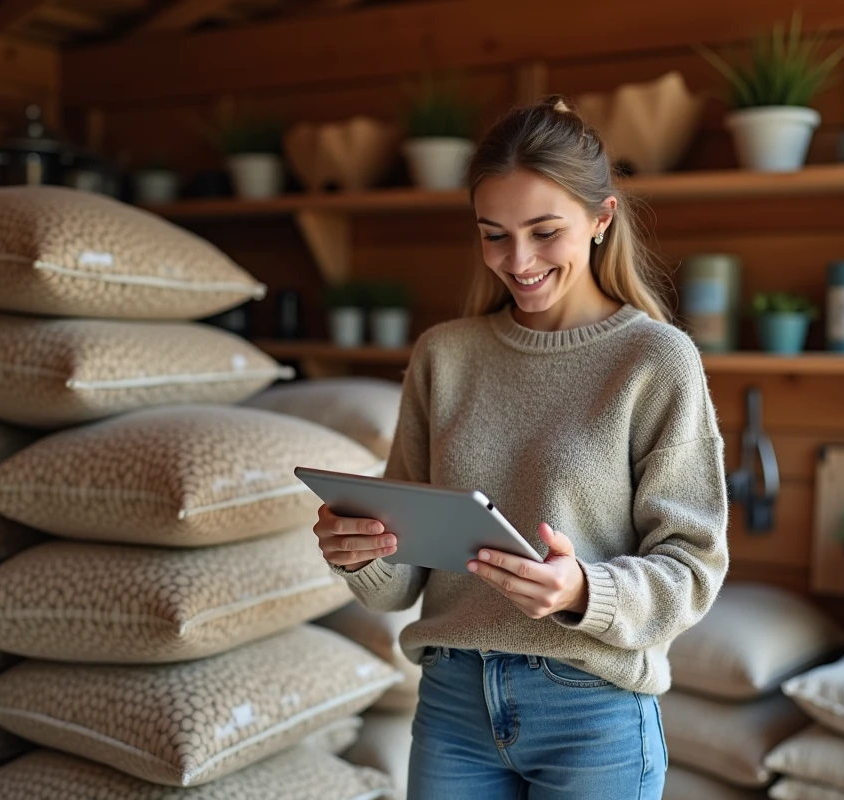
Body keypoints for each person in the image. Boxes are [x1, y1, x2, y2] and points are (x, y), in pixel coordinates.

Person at [312, 96, 729, 800]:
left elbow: (693, 568)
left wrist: (583, 591)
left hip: (590, 709)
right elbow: (401, 583)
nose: (519, 260)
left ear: (601, 219)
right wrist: (361, 552)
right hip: (452, 703)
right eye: (494, 235)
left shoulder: (656, 361)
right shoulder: (444, 356)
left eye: (544, 232)